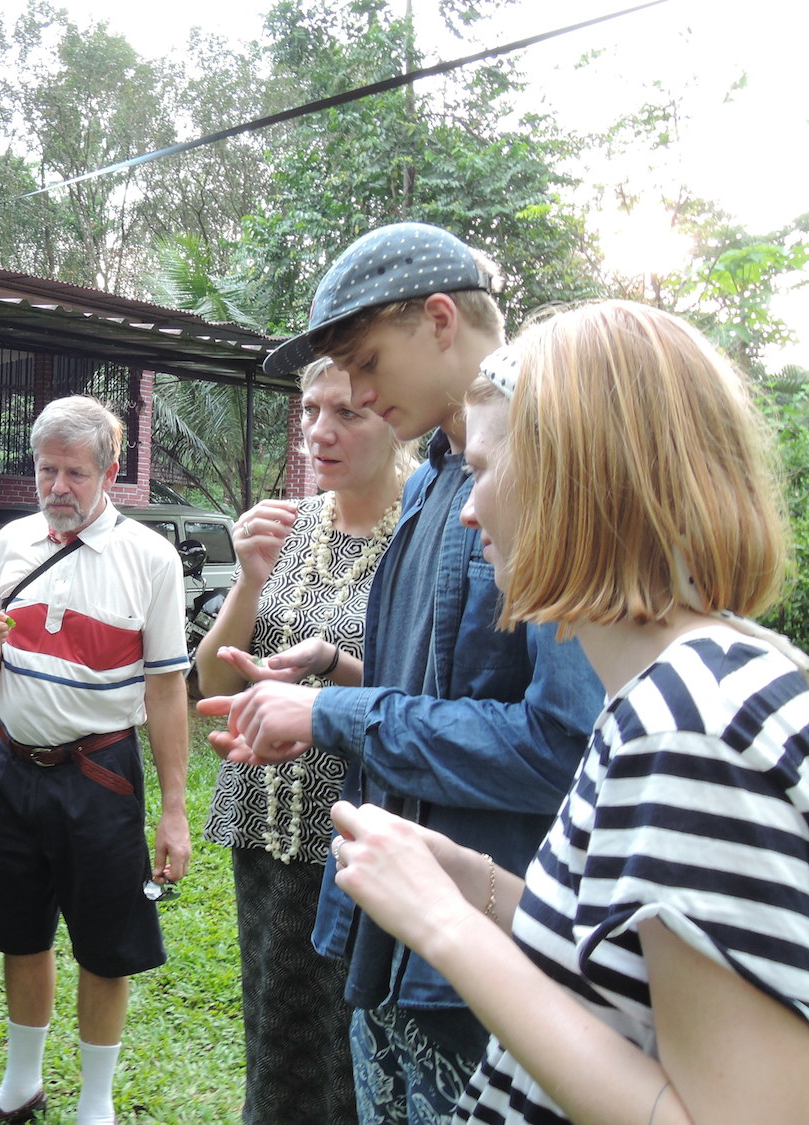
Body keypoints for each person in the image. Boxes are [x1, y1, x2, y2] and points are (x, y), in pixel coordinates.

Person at [329, 300, 809, 1125]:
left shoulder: (689, 727)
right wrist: (476, 882)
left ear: (574, 475)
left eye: (482, 470)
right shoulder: (683, 687)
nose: (470, 509)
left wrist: (447, 926)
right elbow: (632, 980)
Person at [199, 223, 603, 1125]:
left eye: (367, 362)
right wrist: (334, 673)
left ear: (439, 319)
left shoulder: (551, 472)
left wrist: (336, 713)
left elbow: (567, 747)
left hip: (488, 951)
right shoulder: (434, 480)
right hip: (388, 927)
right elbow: (439, 683)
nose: (358, 391)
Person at [0, 394, 191, 1125]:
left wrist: (173, 808)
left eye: (75, 472)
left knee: (105, 944)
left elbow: (168, 688)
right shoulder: (11, 543)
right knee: (20, 929)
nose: (57, 487)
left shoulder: (150, 559)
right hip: (13, 767)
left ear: (109, 471)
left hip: (100, 773)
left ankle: (95, 1105)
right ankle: (20, 1088)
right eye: (47, 469)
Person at [196, 358, 407, 1125]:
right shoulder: (290, 523)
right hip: (264, 821)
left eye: (346, 412)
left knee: (351, 1053)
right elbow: (203, 674)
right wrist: (250, 580)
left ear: (396, 415)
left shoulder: (426, 529)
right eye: (311, 410)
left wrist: (327, 666)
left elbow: (427, 692)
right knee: (272, 1034)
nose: (320, 431)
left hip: (358, 829)